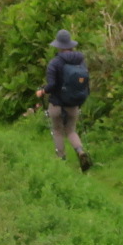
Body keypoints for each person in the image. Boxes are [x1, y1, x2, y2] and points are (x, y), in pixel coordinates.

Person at [36, 28, 93, 172]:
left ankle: (61, 160)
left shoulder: (55, 63)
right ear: (71, 45)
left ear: (58, 46)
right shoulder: (80, 60)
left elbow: (52, 85)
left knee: (58, 131)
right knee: (71, 130)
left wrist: (42, 91)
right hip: (74, 102)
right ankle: (80, 151)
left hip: (56, 103)